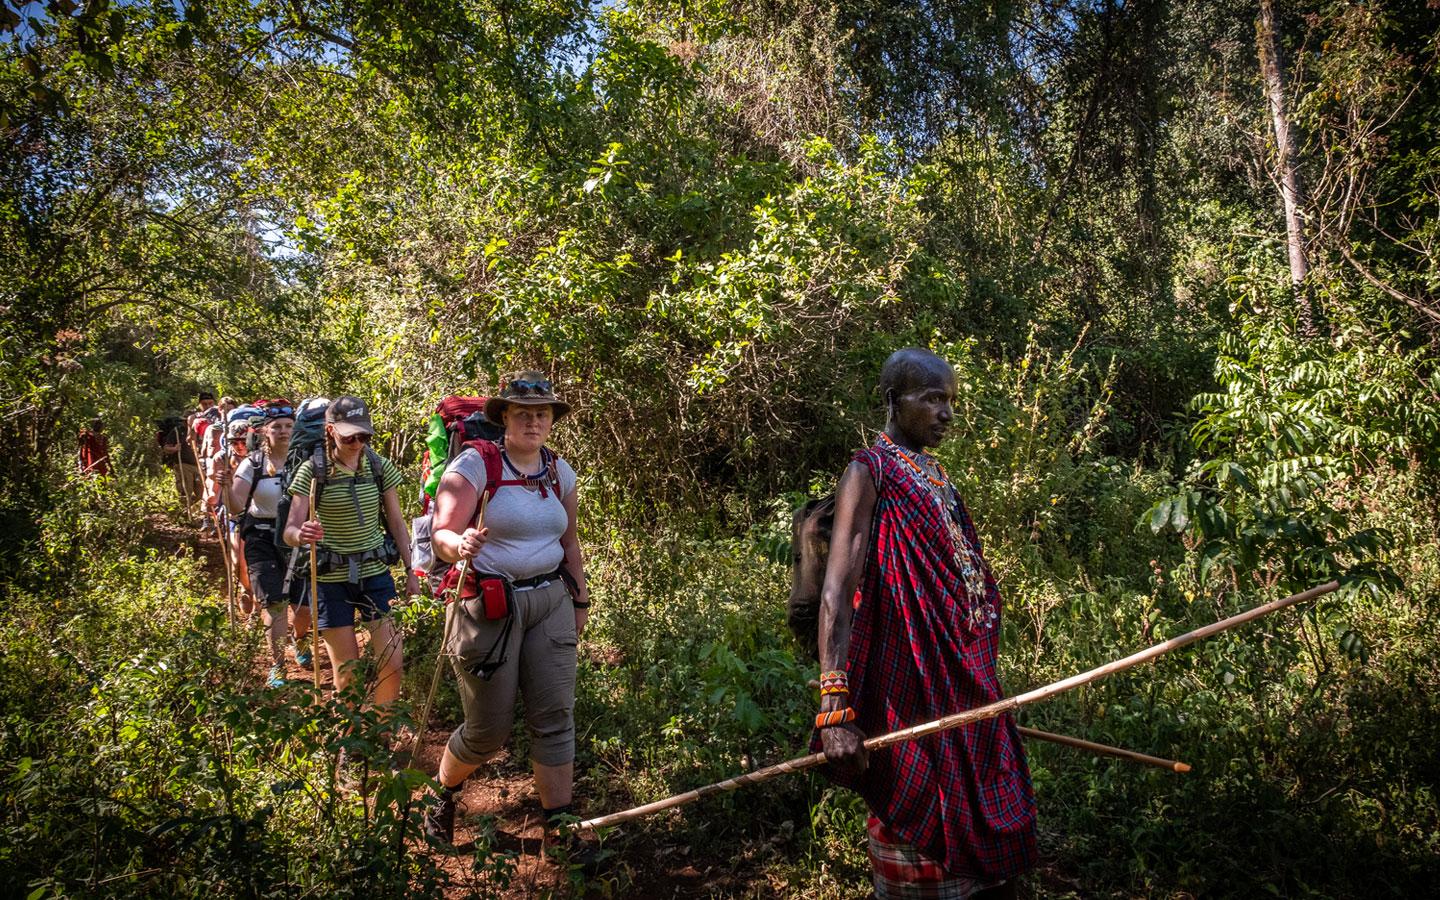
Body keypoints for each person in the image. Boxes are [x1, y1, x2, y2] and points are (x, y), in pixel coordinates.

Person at [815, 348, 1037, 899]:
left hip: (965, 687)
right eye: (933, 398)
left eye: (951, 401)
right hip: (908, 688)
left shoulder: (937, 477)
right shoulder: (870, 471)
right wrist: (834, 706)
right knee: (925, 817)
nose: (946, 413)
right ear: (894, 401)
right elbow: (837, 591)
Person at [423, 372, 590, 854]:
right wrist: (461, 545)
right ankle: (444, 793)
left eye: (542, 414)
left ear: (552, 421)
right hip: (488, 606)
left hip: (551, 600)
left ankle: (560, 826)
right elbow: (442, 534)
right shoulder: (474, 466)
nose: (534, 421)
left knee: (555, 715)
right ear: (505, 419)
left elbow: (568, 540)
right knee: (487, 731)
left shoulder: (560, 472)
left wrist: (578, 599)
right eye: (523, 413)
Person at [283, 397, 414, 715]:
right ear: (330, 432)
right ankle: (352, 741)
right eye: (349, 436)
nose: (357, 443)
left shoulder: (379, 466)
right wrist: (301, 535)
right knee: (348, 673)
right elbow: (290, 529)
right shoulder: (312, 471)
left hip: (374, 574)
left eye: (364, 436)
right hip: (329, 580)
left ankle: (381, 732)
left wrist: (413, 571)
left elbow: (397, 522)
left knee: (392, 661)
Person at [225, 400, 314, 687]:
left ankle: (300, 641)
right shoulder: (252, 464)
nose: (284, 431)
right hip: (261, 536)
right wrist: (225, 486)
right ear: (265, 431)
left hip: (297, 537)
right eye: (277, 427)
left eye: (289, 426)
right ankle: (277, 665)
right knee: (273, 603)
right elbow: (237, 506)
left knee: (302, 607)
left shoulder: (306, 462)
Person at [212, 418, 255, 619]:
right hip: (234, 515)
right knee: (238, 561)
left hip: (258, 515)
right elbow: (215, 486)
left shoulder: (261, 459)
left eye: (243, 441)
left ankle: (263, 599)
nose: (239, 446)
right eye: (234, 442)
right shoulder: (223, 458)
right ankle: (247, 589)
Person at [157, 415, 202, 519]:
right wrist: (175, 448)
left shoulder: (200, 430)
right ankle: (185, 517)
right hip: (183, 464)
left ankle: (194, 515)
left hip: (199, 466)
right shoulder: (177, 431)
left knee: (201, 493)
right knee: (186, 492)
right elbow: (166, 448)